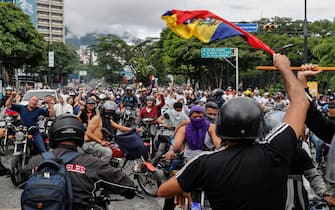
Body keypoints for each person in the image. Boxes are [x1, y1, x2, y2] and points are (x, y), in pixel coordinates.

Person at [157, 54, 309, 210]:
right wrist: (284, 68)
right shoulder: (277, 148)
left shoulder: (204, 162)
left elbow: (163, 191)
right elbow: (300, 102)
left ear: (221, 125)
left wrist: (183, 187)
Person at [23, 114, 136, 209]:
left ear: (52, 135)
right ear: (80, 135)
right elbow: (128, 187)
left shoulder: (35, 161)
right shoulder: (92, 163)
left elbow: (22, 181)